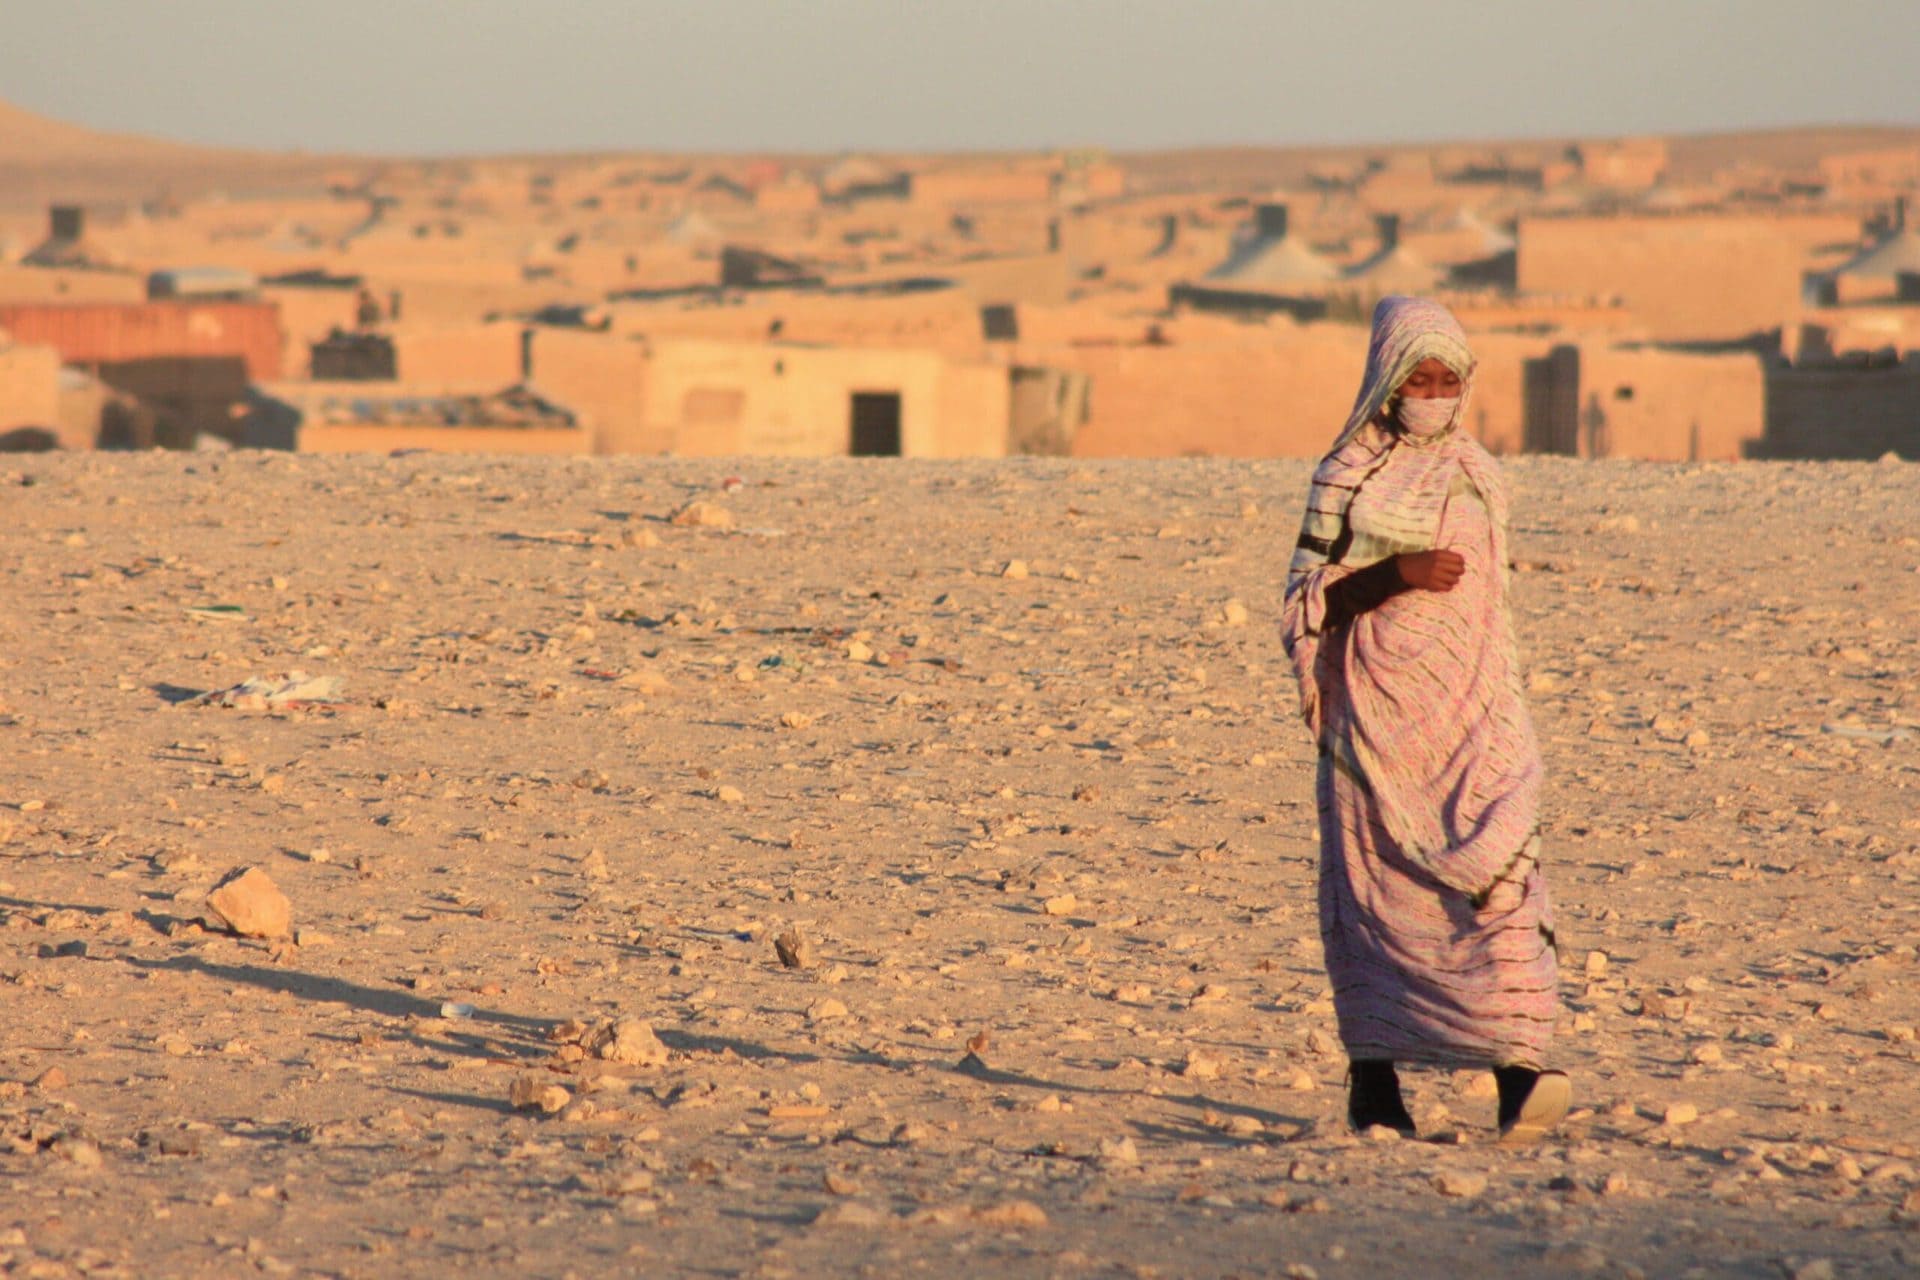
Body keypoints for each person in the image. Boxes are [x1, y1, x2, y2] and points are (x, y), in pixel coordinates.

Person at [1278, 295, 1567, 1143]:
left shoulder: (1480, 472)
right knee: (1378, 893)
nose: (1434, 392)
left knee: (1502, 874)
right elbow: (1304, 599)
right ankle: (1375, 1083)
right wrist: (1392, 573)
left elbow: (1493, 601)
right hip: (1375, 721)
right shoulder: (1347, 474)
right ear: (1387, 381)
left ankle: (1520, 1068)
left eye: (1449, 378)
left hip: (1476, 708)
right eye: (1419, 377)